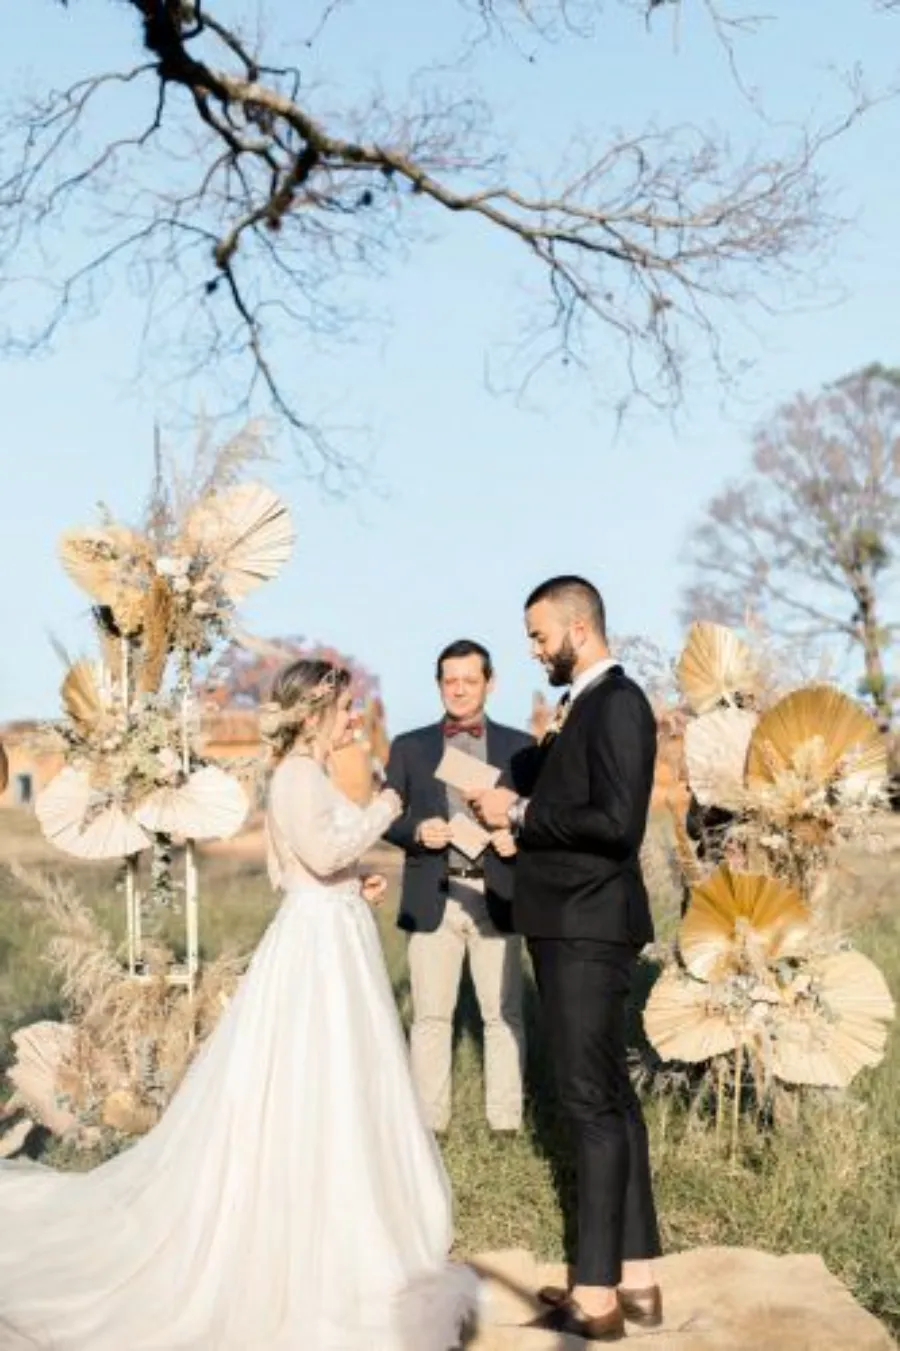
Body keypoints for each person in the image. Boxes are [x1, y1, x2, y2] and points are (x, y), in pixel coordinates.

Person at [0, 658, 476, 1351]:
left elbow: (302, 867)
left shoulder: (307, 775)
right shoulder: (294, 775)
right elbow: (317, 850)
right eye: (345, 707)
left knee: (345, 1080)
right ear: (314, 711)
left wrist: (354, 881)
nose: (352, 717)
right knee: (317, 1080)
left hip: (332, 934)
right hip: (315, 954)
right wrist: (387, 805)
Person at [472, 577, 662, 1344]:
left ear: (577, 628)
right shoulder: (580, 706)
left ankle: (596, 1295)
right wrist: (523, 825)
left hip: (588, 924)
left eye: (537, 634)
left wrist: (519, 811)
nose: (531, 649)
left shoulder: (617, 702)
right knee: (610, 1099)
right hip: (571, 917)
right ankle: (640, 1280)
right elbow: (578, 814)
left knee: (588, 1102)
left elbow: (617, 822)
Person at [384, 639, 533, 1134]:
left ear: (490, 683)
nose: (461, 690)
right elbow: (387, 818)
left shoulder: (521, 748)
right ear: (438, 684)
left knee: (503, 1014)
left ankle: (506, 1123)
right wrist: (416, 832)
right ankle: (430, 1125)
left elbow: (540, 819)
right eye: (451, 681)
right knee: (430, 1017)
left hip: (497, 895)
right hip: (436, 895)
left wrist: (515, 839)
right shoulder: (409, 746)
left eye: (471, 680)